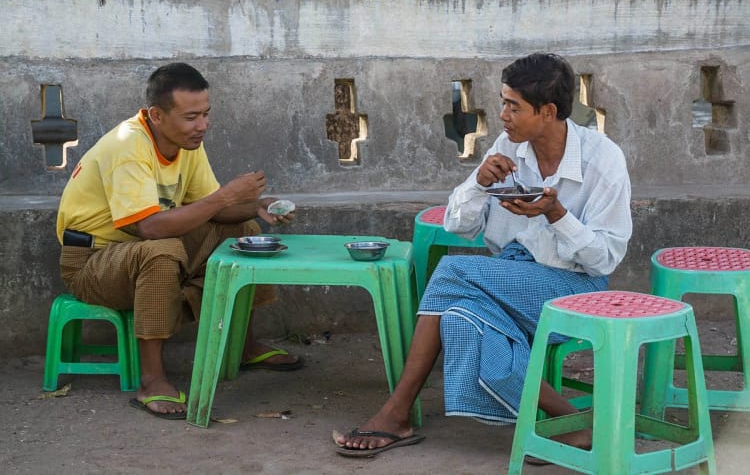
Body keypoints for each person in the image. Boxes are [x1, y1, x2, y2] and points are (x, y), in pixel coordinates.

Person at [333, 53, 632, 457]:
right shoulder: (510, 146)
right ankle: (573, 424)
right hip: (509, 278)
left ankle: (395, 412)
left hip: (575, 287)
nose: (503, 115)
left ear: (547, 112)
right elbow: (460, 224)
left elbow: (605, 259)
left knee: (452, 271)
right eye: (503, 102)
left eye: (514, 106)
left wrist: (556, 214)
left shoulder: (603, 158)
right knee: (457, 317)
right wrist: (478, 180)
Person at [56, 63, 302, 420]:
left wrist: (258, 206)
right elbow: (151, 229)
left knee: (244, 229)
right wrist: (226, 197)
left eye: (205, 114)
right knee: (160, 250)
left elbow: (209, 211)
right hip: (92, 262)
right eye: (191, 117)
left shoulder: (186, 142)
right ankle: (152, 381)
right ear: (156, 115)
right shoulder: (128, 146)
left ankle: (242, 346)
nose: (201, 125)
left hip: (140, 249)